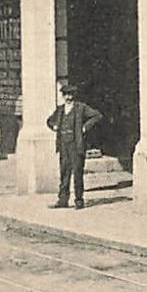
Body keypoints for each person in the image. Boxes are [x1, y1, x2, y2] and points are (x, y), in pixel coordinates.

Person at [46, 81, 103, 209]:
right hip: (63, 145)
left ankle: (79, 200)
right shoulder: (60, 109)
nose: (68, 97)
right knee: (64, 172)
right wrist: (54, 126)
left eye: (70, 95)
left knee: (77, 173)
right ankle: (63, 200)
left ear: (74, 95)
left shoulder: (81, 108)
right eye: (66, 95)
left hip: (76, 145)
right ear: (63, 96)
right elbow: (49, 121)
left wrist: (84, 128)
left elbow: (97, 115)